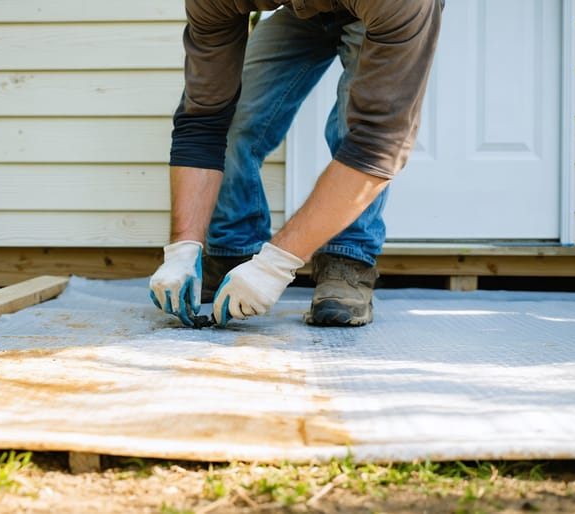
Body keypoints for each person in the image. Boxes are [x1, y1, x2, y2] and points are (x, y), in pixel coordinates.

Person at [150, 0, 443, 328]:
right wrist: (182, 249)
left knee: (352, 128)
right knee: (236, 116)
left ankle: (347, 260)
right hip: (304, 12)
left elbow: (376, 143)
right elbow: (203, 120)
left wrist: (273, 266)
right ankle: (233, 252)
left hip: (379, 13)